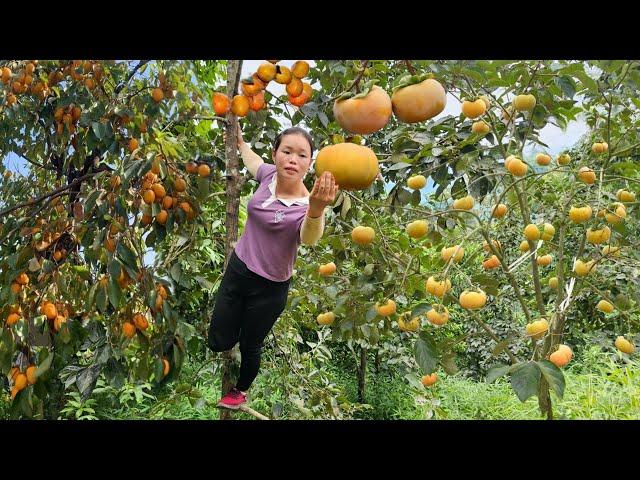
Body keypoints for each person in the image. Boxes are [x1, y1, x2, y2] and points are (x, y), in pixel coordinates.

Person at [208, 124, 339, 410]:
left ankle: (239, 391)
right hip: (239, 269)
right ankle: (229, 336)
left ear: (309, 163)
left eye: (302, 155)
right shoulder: (268, 176)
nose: (293, 159)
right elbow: (253, 162)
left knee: (250, 344)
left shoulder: (308, 204)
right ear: (276, 154)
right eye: (287, 151)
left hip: (270, 287)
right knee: (218, 340)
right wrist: (241, 144)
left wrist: (317, 209)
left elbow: (310, 238)